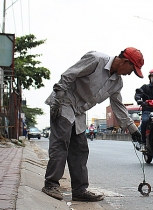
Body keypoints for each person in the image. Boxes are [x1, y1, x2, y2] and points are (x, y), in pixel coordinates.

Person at [42, 47, 144, 202]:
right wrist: (57, 98)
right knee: (61, 143)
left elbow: (118, 106)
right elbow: (69, 75)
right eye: (132, 69)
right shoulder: (96, 60)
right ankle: (51, 184)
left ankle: (79, 190)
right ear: (125, 61)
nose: (130, 74)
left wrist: (133, 129)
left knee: (80, 150)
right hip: (64, 102)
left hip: (79, 112)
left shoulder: (117, 83)